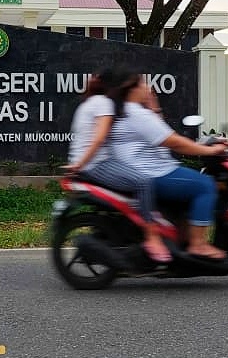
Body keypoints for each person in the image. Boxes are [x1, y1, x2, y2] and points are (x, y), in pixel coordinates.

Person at [108, 72, 228, 261]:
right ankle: (198, 245)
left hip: (149, 169)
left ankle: (181, 238)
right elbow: (173, 141)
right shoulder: (136, 114)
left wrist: (154, 106)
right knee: (205, 185)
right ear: (132, 89)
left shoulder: (130, 111)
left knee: (190, 184)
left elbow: (159, 132)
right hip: (154, 173)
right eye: (143, 84)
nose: (148, 88)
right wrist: (210, 151)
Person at [66, 69, 172, 263]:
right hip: (96, 165)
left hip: (91, 164)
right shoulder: (104, 103)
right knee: (144, 181)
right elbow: (98, 139)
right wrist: (79, 165)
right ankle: (152, 237)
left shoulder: (87, 103)